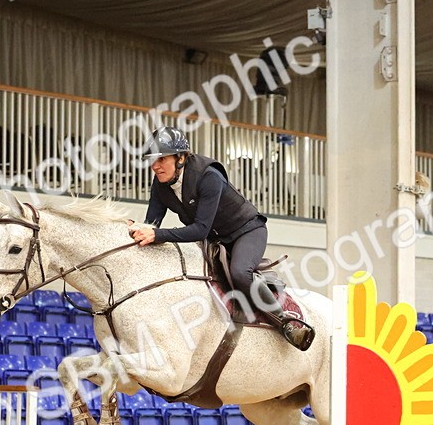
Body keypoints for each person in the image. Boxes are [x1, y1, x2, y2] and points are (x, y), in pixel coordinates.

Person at [129, 126, 314, 351]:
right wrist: (137, 230)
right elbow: (152, 225)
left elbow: (200, 230)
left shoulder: (208, 176)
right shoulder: (160, 185)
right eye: (152, 160)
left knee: (239, 273)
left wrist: (156, 234)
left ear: (181, 158)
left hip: (246, 231)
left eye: (162, 159)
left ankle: (284, 322)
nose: (155, 166)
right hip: (216, 242)